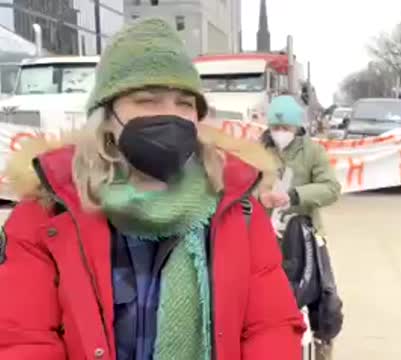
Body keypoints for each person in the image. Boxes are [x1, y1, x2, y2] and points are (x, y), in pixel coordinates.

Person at [0, 18, 305, 360]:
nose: (170, 115)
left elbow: (270, 327)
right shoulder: (49, 210)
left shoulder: (236, 207)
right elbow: (24, 339)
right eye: (148, 101)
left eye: (185, 103)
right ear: (107, 116)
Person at [259, 95, 341, 360]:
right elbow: (241, 184)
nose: (280, 133)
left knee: (324, 299)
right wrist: (257, 196)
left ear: (297, 128)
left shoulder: (312, 152)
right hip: (265, 235)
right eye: (276, 128)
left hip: (304, 233)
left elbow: (331, 188)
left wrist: (294, 196)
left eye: (286, 128)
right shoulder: (257, 150)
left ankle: (322, 347)